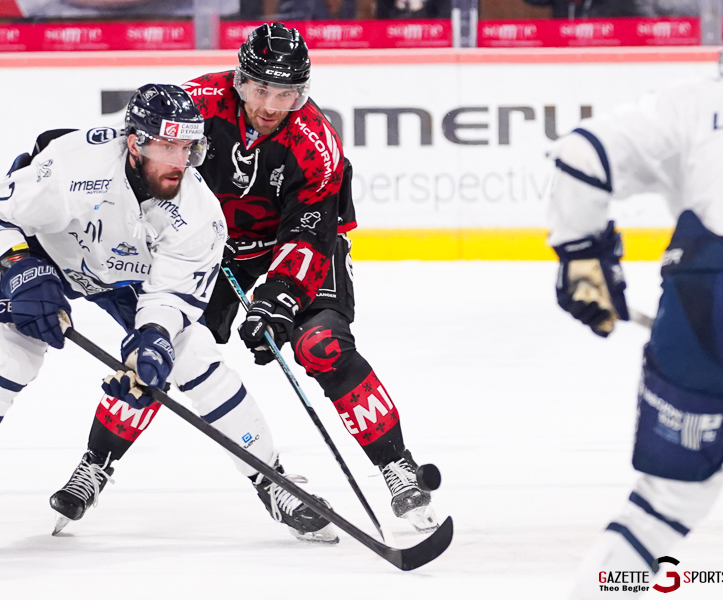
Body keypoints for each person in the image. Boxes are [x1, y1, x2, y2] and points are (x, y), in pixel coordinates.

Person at [0, 83, 337, 548]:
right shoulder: (70, 166)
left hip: (121, 272)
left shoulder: (200, 213)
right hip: (42, 254)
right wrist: (19, 265)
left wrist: (153, 341)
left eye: (188, 147)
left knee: (194, 355)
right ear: (135, 142)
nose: (179, 162)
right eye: (168, 146)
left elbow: (170, 298)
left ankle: (272, 481)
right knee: (10, 357)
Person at [52, 22, 439, 532]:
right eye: (261, 89)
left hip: (290, 249)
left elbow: (310, 231)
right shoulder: (197, 107)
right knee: (163, 349)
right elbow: (138, 171)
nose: (272, 106)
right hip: (201, 249)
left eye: (288, 93)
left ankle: (396, 465)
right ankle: (96, 464)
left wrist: (277, 298)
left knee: (321, 344)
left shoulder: (316, 143)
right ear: (239, 79)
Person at [547, 4, 723, 596]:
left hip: (701, 309)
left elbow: (580, 156)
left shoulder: (694, 103)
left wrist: (584, 268)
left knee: (666, 502)